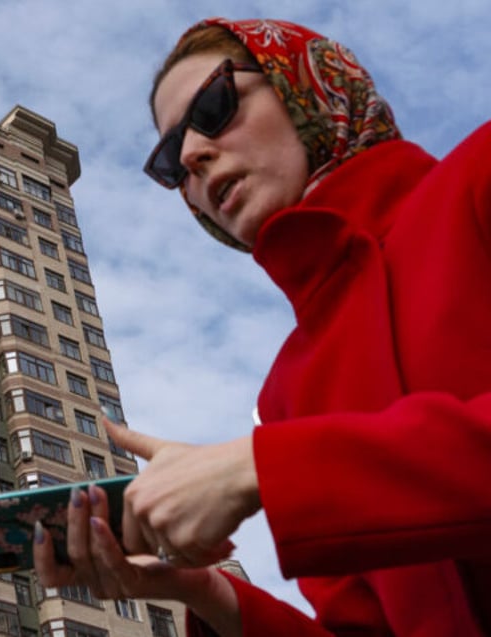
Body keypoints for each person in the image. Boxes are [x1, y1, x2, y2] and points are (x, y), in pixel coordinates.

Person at [33, 16, 491, 636]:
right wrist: (207, 594)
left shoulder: (480, 177)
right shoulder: (286, 395)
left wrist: (258, 469)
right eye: (170, 162)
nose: (193, 154)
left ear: (308, 86)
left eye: (216, 105)